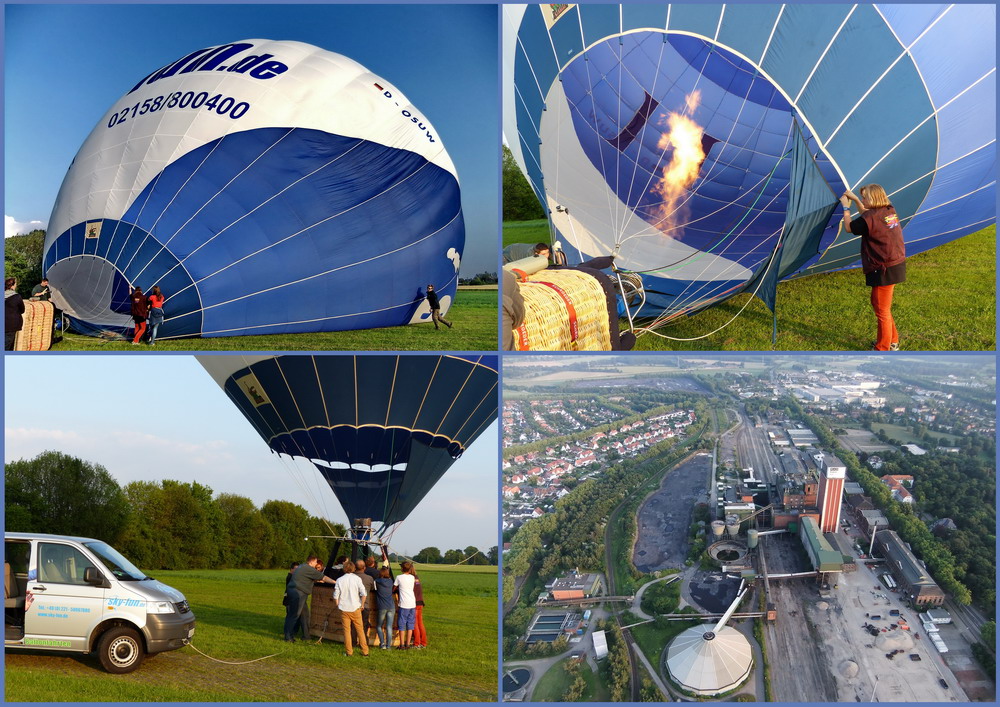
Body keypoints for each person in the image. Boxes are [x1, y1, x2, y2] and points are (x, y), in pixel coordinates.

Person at [841, 185, 906, 351]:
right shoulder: (889, 210)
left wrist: (846, 208)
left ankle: (883, 349)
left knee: (881, 309)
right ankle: (892, 341)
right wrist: (855, 199)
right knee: (881, 306)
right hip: (895, 264)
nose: (863, 201)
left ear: (873, 199)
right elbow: (867, 217)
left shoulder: (872, 216)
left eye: (864, 198)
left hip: (883, 268)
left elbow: (851, 227)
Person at [287, 555, 335, 642]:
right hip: (298, 593)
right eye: (316, 562)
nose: (316, 564)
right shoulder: (309, 569)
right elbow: (324, 577)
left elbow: (307, 578)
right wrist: (335, 582)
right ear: (312, 562)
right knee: (294, 615)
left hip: (295, 592)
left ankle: (306, 636)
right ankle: (288, 637)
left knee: (304, 614)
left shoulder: (302, 566)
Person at [333, 560, 369, 657]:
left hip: (344, 608)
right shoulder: (357, 579)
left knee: (347, 631)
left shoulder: (340, 580)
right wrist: (362, 604)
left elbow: (336, 595)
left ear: (344, 569)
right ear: (354, 568)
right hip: (355, 607)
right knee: (360, 630)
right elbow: (364, 593)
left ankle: (349, 652)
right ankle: (365, 651)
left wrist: (337, 605)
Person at [393, 561, 417, 650]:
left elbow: (394, 587)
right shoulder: (412, 577)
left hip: (404, 604)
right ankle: (408, 644)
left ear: (402, 568)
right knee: (410, 624)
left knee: (402, 624)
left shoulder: (399, 577)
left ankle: (402, 644)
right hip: (412, 603)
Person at [352, 559, 375, 646]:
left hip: (353, 606)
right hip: (365, 605)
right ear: (364, 568)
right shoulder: (369, 578)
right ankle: (364, 642)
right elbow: (373, 588)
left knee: (353, 625)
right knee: (364, 625)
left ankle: (353, 642)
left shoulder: (350, 578)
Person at [374, 567, 395, 650]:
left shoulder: (377, 581)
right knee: (389, 627)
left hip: (382, 606)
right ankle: (388, 645)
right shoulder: (391, 581)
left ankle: (382, 643)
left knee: (379, 626)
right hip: (391, 606)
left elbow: (374, 588)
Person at [282, 562, 300, 641]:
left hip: (289, 598)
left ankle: (290, 632)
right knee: (290, 616)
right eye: (295, 569)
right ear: (291, 569)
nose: (297, 571)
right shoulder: (290, 577)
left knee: (290, 616)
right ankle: (289, 633)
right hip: (289, 599)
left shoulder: (292, 576)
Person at [4, 278, 24, 351]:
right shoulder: (16, 297)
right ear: (12, 286)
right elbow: (22, 310)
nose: (16, 285)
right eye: (15, 284)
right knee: (7, 345)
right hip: (11, 325)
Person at [412, 572, 427, 649]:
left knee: (415, 624)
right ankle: (423, 642)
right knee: (420, 623)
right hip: (420, 602)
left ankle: (416, 643)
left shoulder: (410, 578)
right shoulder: (416, 578)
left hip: (415, 603)